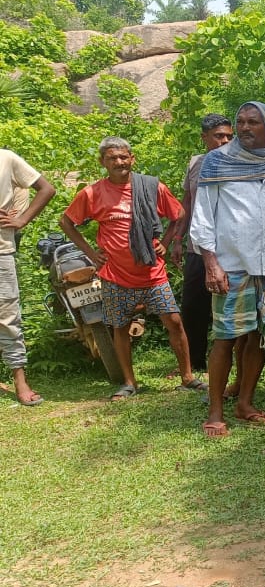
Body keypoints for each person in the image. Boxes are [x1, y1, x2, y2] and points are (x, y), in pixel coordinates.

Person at [189, 101, 265, 438]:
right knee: (225, 337)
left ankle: (246, 403)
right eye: (240, 122)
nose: (244, 128)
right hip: (232, 265)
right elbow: (203, 216)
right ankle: (214, 412)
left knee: (261, 335)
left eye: (253, 122)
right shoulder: (217, 161)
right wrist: (211, 263)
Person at [60, 137, 203, 400]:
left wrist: (166, 242)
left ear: (132, 158)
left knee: (173, 322)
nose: (119, 162)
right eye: (112, 158)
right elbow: (67, 222)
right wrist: (91, 253)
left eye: (123, 157)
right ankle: (129, 383)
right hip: (115, 275)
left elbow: (178, 214)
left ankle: (187, 377)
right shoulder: (92, 193)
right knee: (120, 327)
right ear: (102, 162)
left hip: (152, 272)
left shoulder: (150, 186)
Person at [176, 114, 233, 375]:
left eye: (228, 136)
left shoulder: (237, 163)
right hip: (198, 246)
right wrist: (178, 238)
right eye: (219, 136)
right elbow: (186, 202)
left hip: (229, 247)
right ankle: (195, 360)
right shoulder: (195, 163)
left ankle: (227, 359)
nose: (224, 141)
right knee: (193, 304)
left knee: (228, 304)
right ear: (204, 138)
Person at [0, 148, 55, 406]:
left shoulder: (6, 158)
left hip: (1, 250)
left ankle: (20, 381)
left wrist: (21, 220)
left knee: (8, 315)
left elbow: (47, 189)